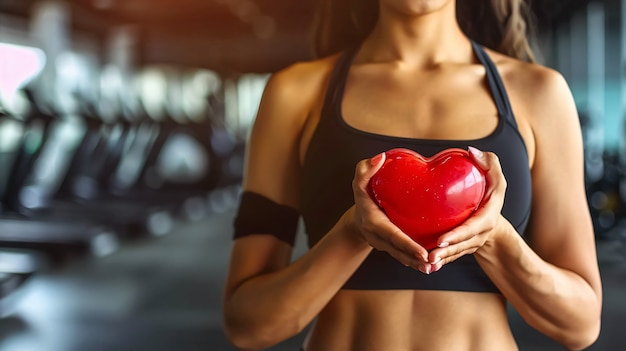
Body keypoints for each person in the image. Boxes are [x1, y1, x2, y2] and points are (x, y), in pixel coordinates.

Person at [222, 0, 603, 350]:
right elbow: (248, 324)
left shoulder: (539, 94)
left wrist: (494, 239)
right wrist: (353, 234)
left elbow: (581, 324)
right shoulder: (294, 93)